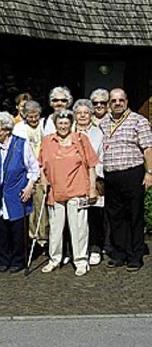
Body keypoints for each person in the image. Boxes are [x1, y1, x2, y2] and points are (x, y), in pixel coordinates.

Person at [40, 109, 98, 276]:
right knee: (55, 229)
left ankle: (80, 260)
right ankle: (55, 259)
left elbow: (91, 165)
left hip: (77, 190)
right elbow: (41, 165)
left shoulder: (81, 139)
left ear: (71, 124)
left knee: (78, 228)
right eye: (60, 123)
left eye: (66, 123)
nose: (63, 126)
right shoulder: (47, 141)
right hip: (55, 191)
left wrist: (92, 189)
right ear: (55, 124)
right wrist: (43, 180)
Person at [99, 88, 152, 271]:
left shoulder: (139, 121)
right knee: (115, 217)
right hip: (111, 177)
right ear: (109, 104)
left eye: (121, 100)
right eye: (113, 101)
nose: (117, 103)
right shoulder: (103, 123)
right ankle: (119, 253)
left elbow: (147, 149)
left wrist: (150, 173)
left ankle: (135, 256)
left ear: (127, 101)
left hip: (132, 174)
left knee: (134, 216)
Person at [0, 112, 39, 273]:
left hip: (16, 192)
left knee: (17, 229)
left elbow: (34, 169)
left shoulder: (21, 144)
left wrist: (29, 186)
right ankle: (2, 259)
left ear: (7, 130)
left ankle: (18, 259)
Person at [73, 99, 106, 266]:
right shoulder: (67, 132)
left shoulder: (98, 133)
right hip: (72, 180)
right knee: (74, 217)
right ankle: (76, 250)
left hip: (93, 178)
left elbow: (101, 157)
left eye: (86, 112)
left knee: (93, 216)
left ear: (91, 114)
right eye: (79, 113)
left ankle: (94, 247)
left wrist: (94, 175)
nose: (83, 116)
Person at [12, 100, 48, 248]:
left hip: (42, 171)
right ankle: (31, 235)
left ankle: (43, 237)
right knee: (29, 207)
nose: (33, 120)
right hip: (27, 173)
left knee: (42, 206)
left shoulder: (45, 125)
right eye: (30, 117)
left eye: (36, 116)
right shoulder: (19, 128)